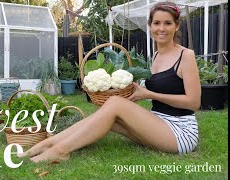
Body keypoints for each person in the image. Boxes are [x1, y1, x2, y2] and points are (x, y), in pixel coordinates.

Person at [18, 1, 201, 163]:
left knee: (114, 104)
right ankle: (49, 143)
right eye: (157, 23)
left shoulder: (185, 55)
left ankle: (60, 151)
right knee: (106, 117)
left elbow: (194, 102)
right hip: (158, 122)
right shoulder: (156, 55)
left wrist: (149, 94)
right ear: (150, 26)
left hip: (180, 132)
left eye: (168, 23)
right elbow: (164, 87)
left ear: (177, 26)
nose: (162, 28)